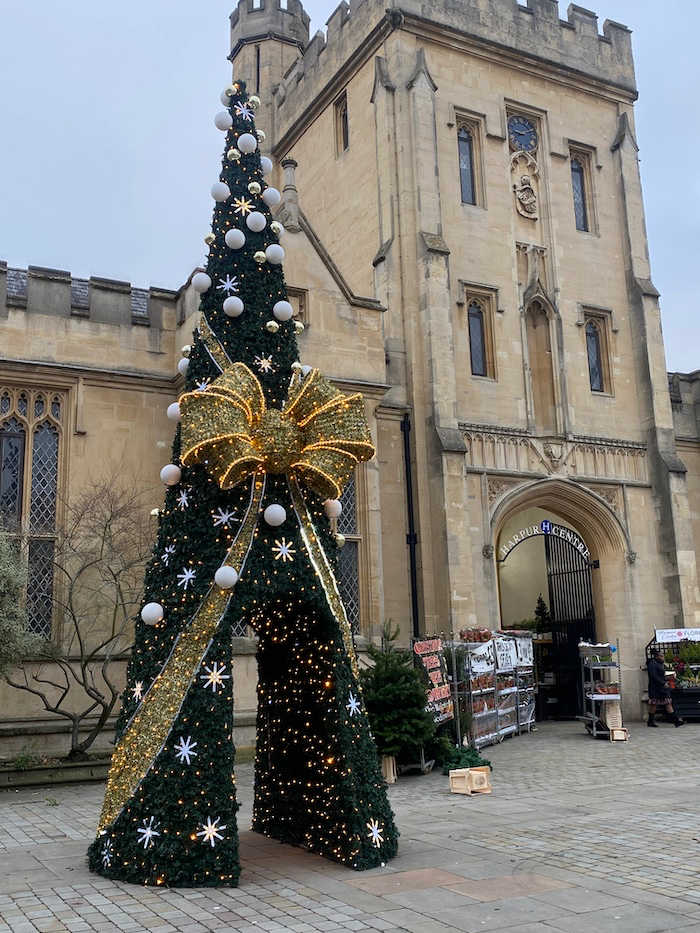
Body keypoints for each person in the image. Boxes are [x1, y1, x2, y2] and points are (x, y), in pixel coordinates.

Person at [647, 649, 684, 727]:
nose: (663, 658)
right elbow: (653, 676)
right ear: (656, 656)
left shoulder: (659, 664)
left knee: (667, 703)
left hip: (662, 688)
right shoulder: (652, 664)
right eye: (661, 656)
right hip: (656, 688)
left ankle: (675, 721)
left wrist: (669, 677)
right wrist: (663, 683)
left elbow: (661, 675)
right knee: (654, 704)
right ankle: (651, 721)